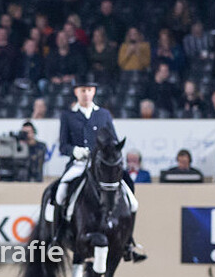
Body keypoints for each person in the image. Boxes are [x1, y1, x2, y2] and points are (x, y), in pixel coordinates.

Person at [46, 80, 145, 262]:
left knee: (133, 202)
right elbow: (63, 145)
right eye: (83, 90)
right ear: (77, 92)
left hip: (101, 166)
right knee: (59, 193)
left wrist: (108, 153)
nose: (86, 94)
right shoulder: (68, 115)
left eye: (89, 90)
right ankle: (56, 237)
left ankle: (128, 243)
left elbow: (113, 140)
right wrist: (75, 150)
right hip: (79, 163)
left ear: (94, 92)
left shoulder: (103, 114)